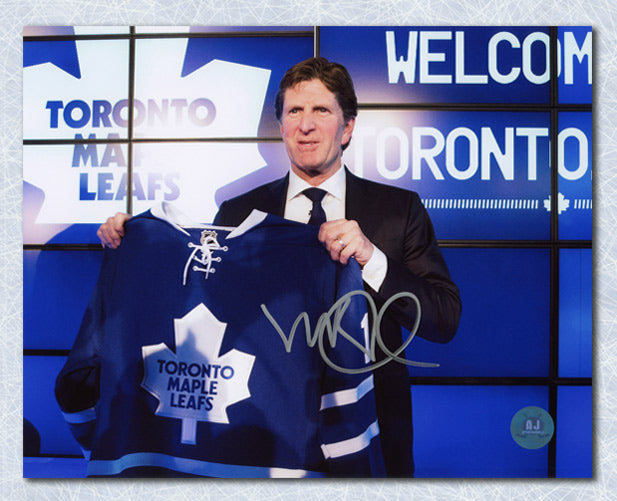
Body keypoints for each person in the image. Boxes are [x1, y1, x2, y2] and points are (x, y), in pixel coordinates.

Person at [97, 57, 461, 477]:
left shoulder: (398, 211)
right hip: (263, 441)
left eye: (321, 110)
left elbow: (443, 319)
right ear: (282, 127)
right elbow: (199, 302)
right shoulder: (237, 211)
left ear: (347, 128)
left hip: (367, 435)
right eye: (294, 112)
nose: (306, 125)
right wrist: (138, 240)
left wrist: (370, 256)